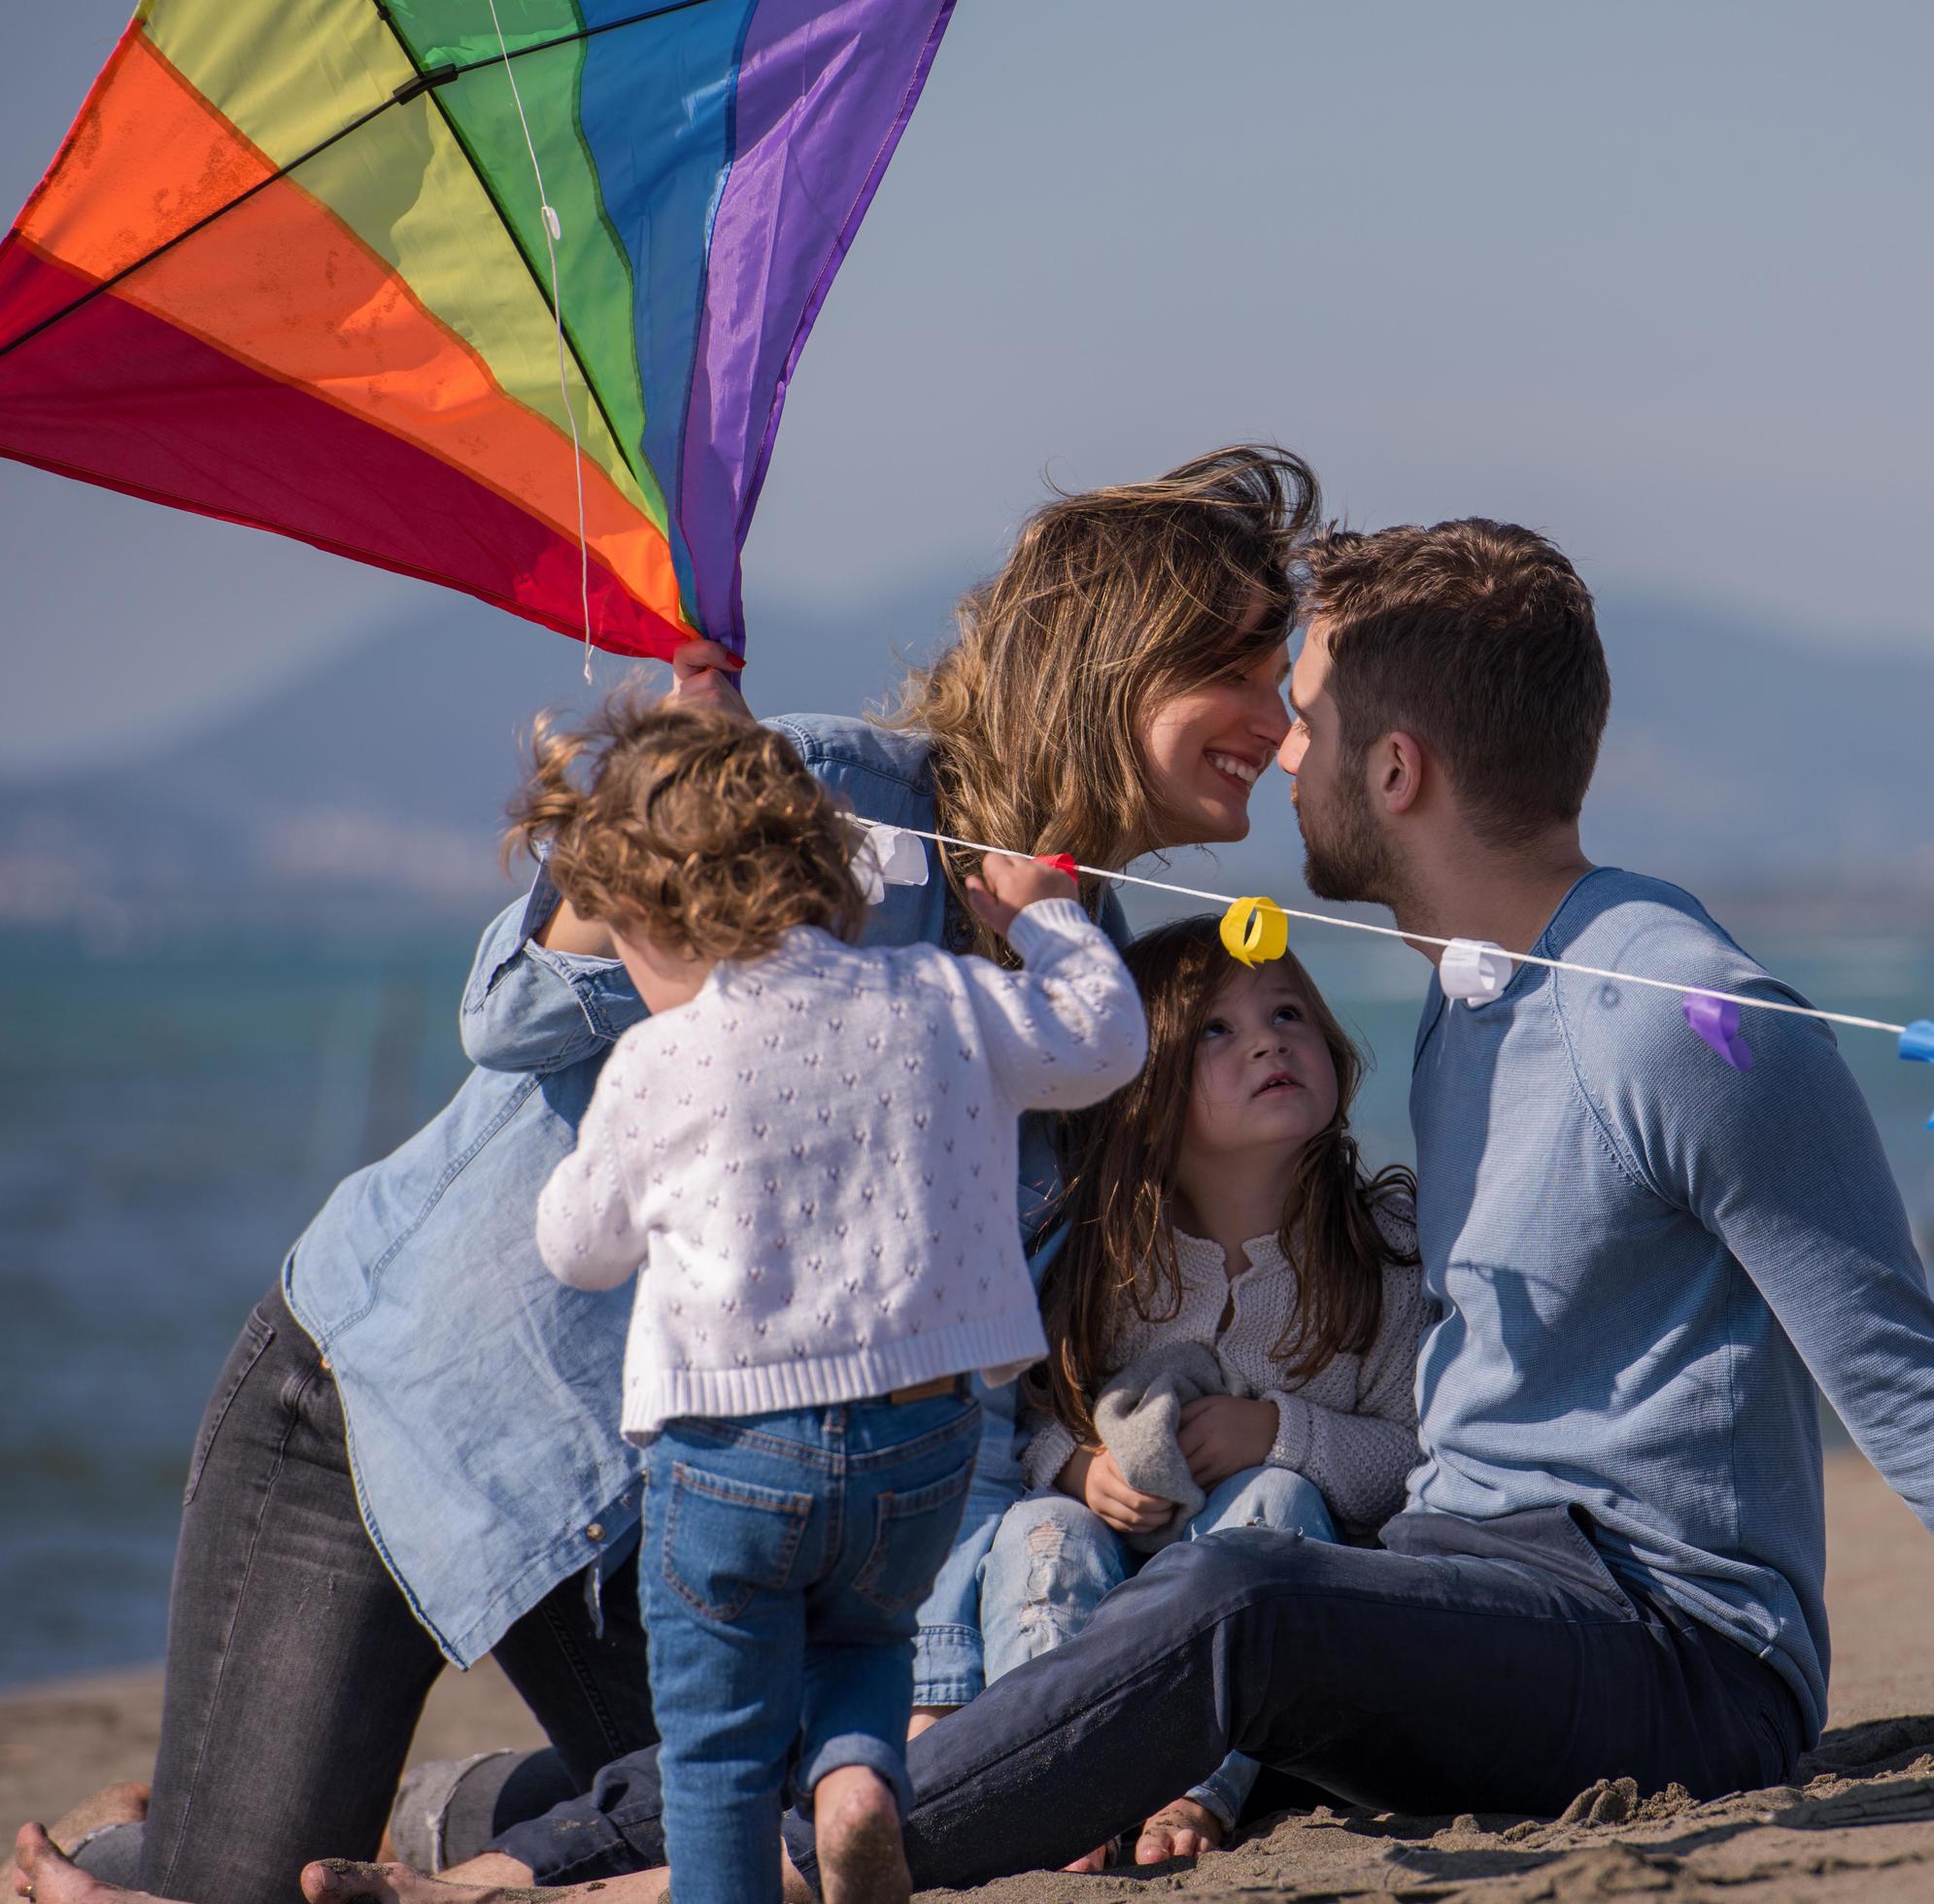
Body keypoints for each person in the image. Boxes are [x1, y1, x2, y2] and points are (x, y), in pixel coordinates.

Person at [191, 514, 1934, 1904]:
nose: (1277, 751)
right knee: (1091, 1605)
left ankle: (731, 1863)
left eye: (1306, 714)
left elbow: (1891, 1363)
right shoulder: (1458, 997)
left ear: (1397, 772)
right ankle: (522, 1833)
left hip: (1674, 1636)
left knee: (1248, 1610)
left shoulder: (1685, 1010)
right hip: (1473, 1566)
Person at [10, 446, 1321, 1904]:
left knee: (769, 1810)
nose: (1281, 725)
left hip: (680, 1503)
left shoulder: (1078, 949)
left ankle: (378, 1822)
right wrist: (651, 807)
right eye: (1249, 676)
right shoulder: (819, 791)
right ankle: (158, 1852)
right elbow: (503, 1015)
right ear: (1114, 665)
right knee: (227, 1892)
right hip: (390, 1413)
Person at [516, 700, 1149, 1904]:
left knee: (720, 1755)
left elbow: (578, 1250)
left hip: (730, 1457)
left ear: (652, 919)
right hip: (923, 1442)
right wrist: (1053, 917)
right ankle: (858, 1784)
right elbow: (1103, 1043)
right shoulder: (940, 993)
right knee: (864, 1642)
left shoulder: (663, 1057)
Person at [983, 917, 1432, 1868]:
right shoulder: (1108, 1256)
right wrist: (1074, 1468)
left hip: (1280, 1646)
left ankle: (1197, 1786)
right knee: (1037, 1531)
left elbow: (1414, 1459)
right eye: (1215, 1031)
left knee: (1279, 1498)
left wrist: (1282, 1431)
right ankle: (1051, 1782)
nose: (1268, 1039)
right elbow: (1027, 1414)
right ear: (1146, 1092)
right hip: (1116, 1596)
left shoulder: (1380, 1249)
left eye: (1286, 1012)